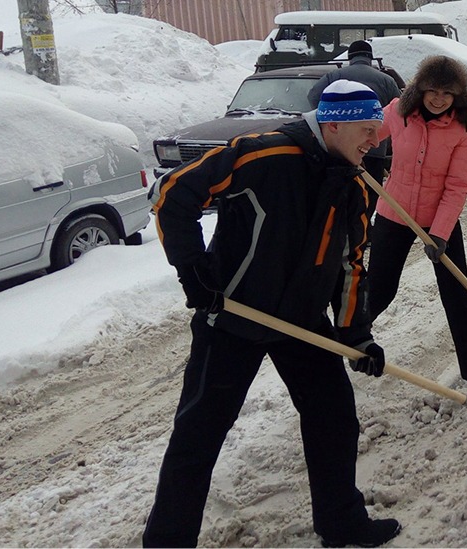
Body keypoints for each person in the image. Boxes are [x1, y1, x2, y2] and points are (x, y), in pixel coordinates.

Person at [143, 79, 401, 548]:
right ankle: (168, 542)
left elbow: (351, 264)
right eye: (368, 129)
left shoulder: (357, 183)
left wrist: (355, 337)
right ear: (336, 125)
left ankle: (341, 523)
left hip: (300, 322)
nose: (375, 140)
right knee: (199, 434)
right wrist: (193, 273)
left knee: (334, 417)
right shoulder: (262, 155)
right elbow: (171, 193)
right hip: (233, 318)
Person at [366, 55, 467, 391]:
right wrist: (352, 151)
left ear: (457, 97)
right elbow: (367, 135)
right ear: (421, 89)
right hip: (394, 213)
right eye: (433, 91)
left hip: (440, 220)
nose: (438, 99)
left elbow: (457, 185)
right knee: (378, 289)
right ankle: (348, 341)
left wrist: (439, 234)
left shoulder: (464, 129)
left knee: (458, 294)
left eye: (447, 94)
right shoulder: (398, 112)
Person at [308, 40, 402, 217]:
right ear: (370, 58)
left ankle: (344, 228)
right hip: (375, 149)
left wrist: (330, 117)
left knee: (343, 190)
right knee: (371, 191)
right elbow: (398, 110)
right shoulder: (386, 80)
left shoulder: (335, 76)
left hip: (340, 148)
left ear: (350, 58)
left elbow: (313, 96)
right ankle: (364, 229)